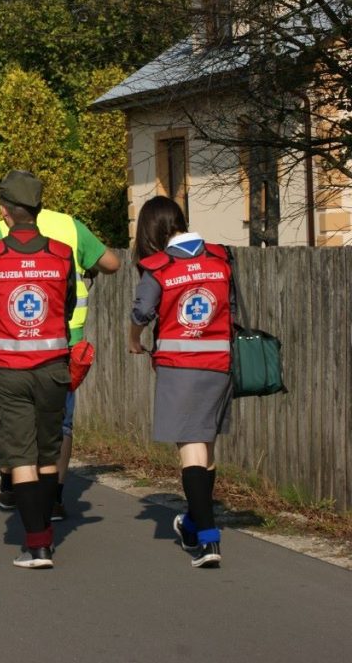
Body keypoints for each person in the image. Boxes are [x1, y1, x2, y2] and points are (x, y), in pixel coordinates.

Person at [0, 172, 120, 519]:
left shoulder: (0, 231)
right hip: (65, 344)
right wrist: (89, 264)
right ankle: (54, 499)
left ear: (7, 207)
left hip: (12, 349)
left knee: (17, 425)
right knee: (59, 426)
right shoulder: (70, 227)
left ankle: (18, 495)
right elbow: (112, 263)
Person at [0, 171, 75, 569]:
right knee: (48, 456)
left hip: (9, 370)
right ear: (38, 209)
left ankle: (38, 545)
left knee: (22, 456)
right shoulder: (63, 254)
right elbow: (66, 301)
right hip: (53, 368)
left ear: (4, 212)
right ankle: (45, 531)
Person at [128, 196, 233, 568]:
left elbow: (142, 310)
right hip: (219, 364)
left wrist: (133, 337)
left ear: (150, 230)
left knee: (190, 450)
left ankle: (208, 540)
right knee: (205, 448)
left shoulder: (157, 267)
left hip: (179, 367)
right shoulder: (222, 257)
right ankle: (192, 523)